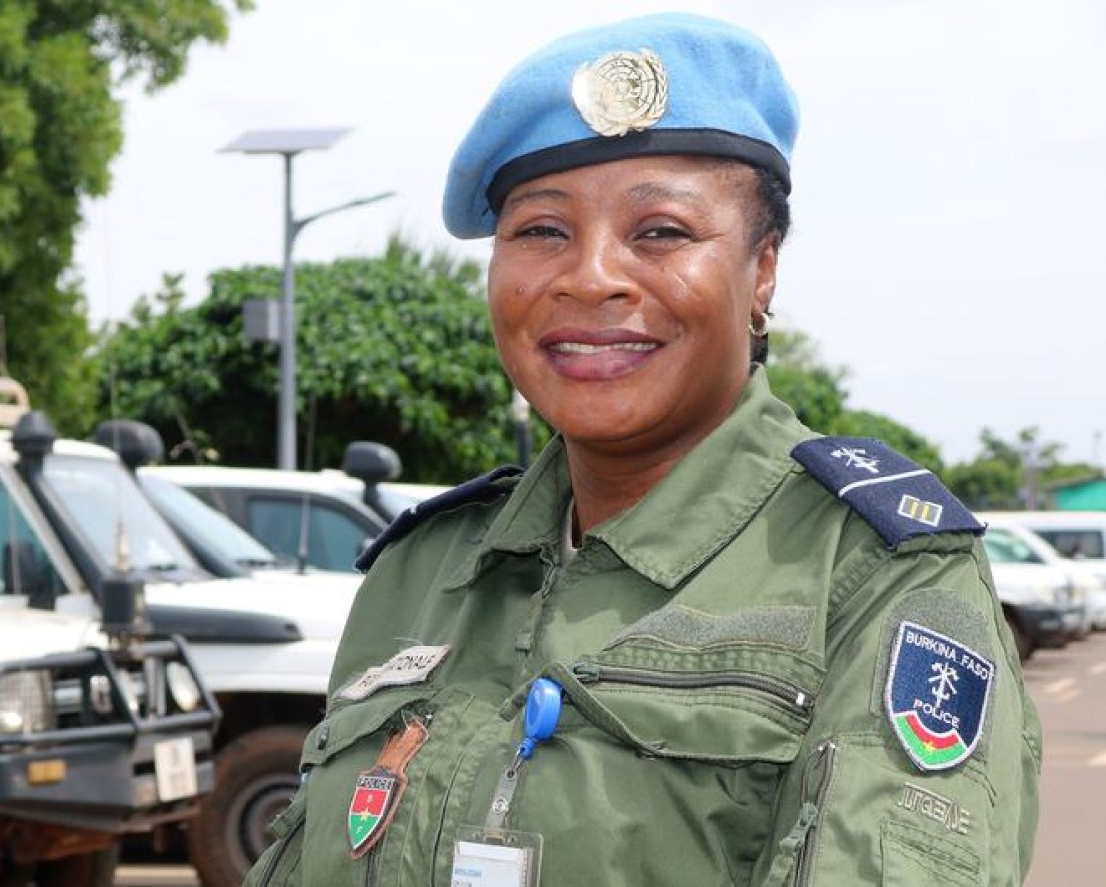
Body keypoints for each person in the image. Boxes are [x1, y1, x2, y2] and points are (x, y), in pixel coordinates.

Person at [242, 12, 1040, 886]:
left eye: (659, 231)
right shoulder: (421, 574)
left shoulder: (881, 579)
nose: (590, 276)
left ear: (761, 268)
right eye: (541, 231)